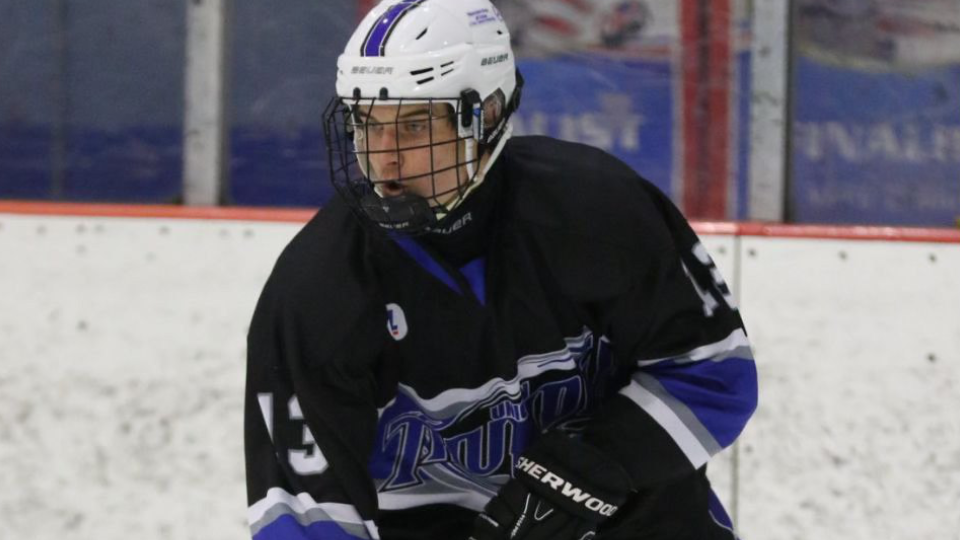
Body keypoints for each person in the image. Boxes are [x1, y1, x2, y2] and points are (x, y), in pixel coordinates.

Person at [244, 0, 758, 538]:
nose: (384, 158)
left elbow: (715, 374)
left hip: (630, 518)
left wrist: (584, 472)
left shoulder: (601, 213)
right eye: (367, 125)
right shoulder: (319, 290)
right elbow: (305, 515)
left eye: (413, 125)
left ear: (486, 115)